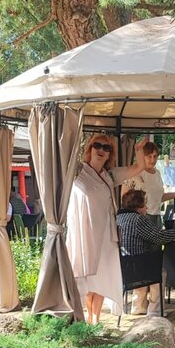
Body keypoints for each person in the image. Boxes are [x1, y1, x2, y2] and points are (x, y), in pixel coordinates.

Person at [66, 134, 148, 324]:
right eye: (97, 146)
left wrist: (138, 151)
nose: (101, 150)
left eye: (106, 148)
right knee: (88, 277)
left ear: (110, 154)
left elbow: (139, 167)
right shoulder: (77, 171)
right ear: (90, 149)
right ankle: (88, 317)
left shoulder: (110, 175)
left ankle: (95, 318)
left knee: (103, 276)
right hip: (85, 233)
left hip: (106, 234)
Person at [122, 141, 175, 313]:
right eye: (149, 156)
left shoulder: (157, 174)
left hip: (156, 216)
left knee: (154, 259)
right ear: (142, 156)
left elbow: (158, 197)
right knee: (142, 259)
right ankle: (139, 305)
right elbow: (124, 196)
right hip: (140, 217)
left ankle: (154, 305)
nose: (152, 159)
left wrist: (174, 195)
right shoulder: (136, 173)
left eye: (155, 156)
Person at [117, 189, 175, 315]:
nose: (147, 207)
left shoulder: (119, 218)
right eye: (144, 204)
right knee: (160, 271)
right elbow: (158, 237)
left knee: (143, 267)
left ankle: (138, 306)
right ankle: (155, 310)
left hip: (123, 265)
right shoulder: (138, 220)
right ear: (137, 206)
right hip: (137, 266)